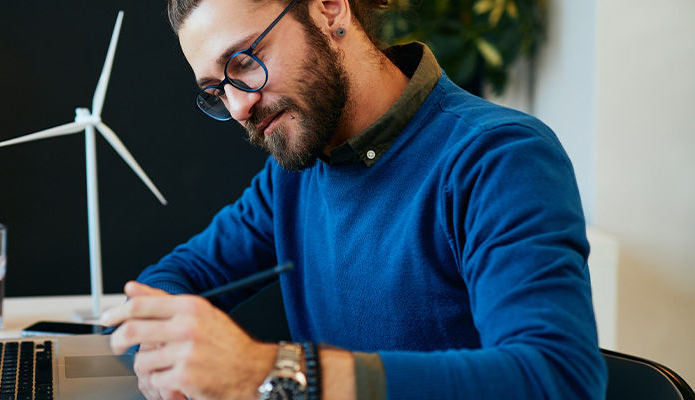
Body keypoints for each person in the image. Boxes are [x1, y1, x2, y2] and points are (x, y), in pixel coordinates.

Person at [99, 0, 607, 399]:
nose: (238, 106)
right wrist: (165, 350)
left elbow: (556, 379)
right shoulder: (294, 176)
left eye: (244, 62)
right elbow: (172, 279)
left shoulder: (496, 158)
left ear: (329, 8)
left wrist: (274, 373)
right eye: (216, 90)